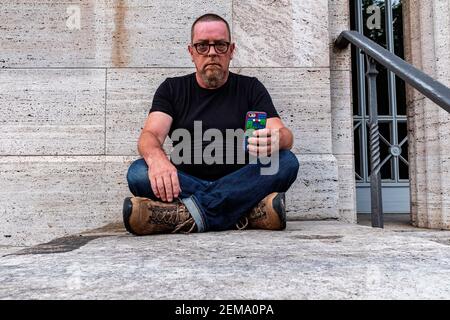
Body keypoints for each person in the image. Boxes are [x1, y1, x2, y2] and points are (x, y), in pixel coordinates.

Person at [123, 13, 299, 235]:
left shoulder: (250, 88)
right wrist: (157, 159)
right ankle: (245, 213)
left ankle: (184, 215)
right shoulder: (171, 89)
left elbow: (283, 133)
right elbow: (150, 135)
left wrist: (278, 139)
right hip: (186, 180)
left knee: (286, 161)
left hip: (241, 177)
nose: (212, 52)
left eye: (220, 45)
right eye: (203, 46)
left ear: (231, 50)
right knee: (138, 172)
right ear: (191, 52)